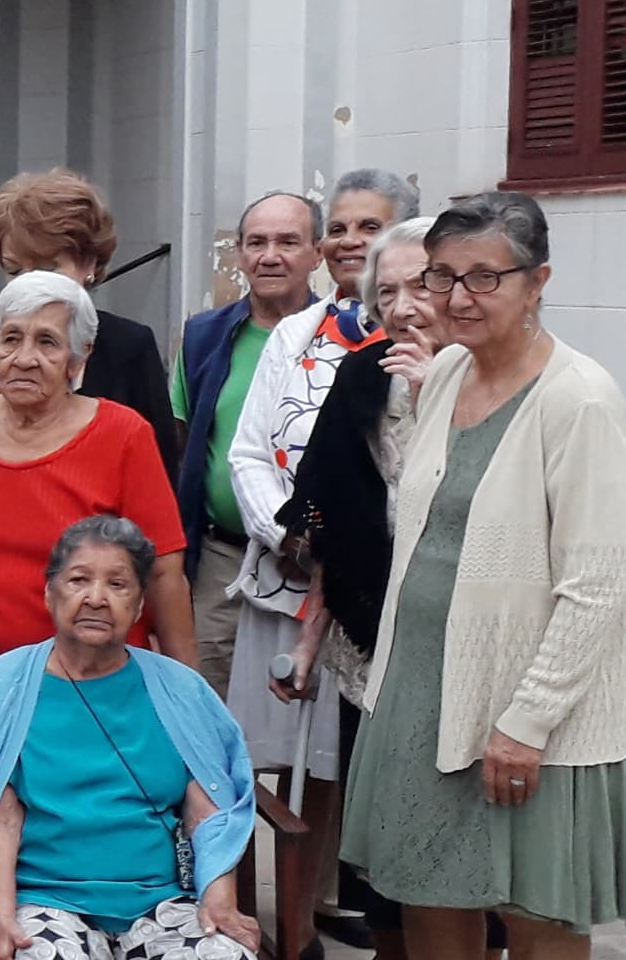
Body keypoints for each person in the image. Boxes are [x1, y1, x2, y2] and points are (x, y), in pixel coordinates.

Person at [342, 192, 626, 959]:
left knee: (538, 915)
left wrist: (528, 721)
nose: (455, 298)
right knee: (430, 894)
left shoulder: (580, 400)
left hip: (529, 705)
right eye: (442, 277)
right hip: (424, 685)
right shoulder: (444, 375)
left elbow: (598, 587)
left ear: (537, 281)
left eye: (485, 278)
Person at [277, 218, 465, 958]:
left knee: (459, 859)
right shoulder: (362, 375)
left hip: (463, 654)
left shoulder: (493, 385)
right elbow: (333, 526)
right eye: (386, 292)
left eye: (421, 284)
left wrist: (437, 397)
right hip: (372, 656)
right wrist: (308, 638)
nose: (406, 305)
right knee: (385, 853)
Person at [0, 516, 262, 960]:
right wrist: (1, 916)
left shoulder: (180, 690)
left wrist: (218, 898)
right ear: (49, 593)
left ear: (139, 607)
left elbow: (208, 812)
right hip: (49, 903)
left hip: (162, 901)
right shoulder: (6, 685)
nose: (96, 598)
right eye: (78, 580)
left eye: (118, 585)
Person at [218, 171, 422, 805]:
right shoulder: (302, 333)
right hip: (292, 570)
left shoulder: (438, 348)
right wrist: (292, 535)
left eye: (371, 226)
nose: (350, 240)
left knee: (353, 766)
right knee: (270, 757)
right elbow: (248, 451)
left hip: (392, 586)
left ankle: (349, 898)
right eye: (338, 227)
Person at [0, 272, 191, 710]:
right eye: (11, 339)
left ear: (79, 358)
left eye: (47, 342)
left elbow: (163, 570)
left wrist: (186, 694)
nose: (23, 358)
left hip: (92, 686)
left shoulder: (124, 434)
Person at [0, 169, 180, 492]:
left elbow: (159, 477)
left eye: (46, 267)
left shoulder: (127, 346)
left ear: (90, 265)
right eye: (15, 270)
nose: (30, 282)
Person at [172, 191, 325, 696]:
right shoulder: (203, 337)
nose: (270, 255)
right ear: (238, 252)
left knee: (306, 726)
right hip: (221, 558)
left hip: (312, 565)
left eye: (288, 241)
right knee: (207, 704)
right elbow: (182, 442)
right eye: (256, 242)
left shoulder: (340, 338)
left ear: (317, 253)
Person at [319, 169, 421, 304]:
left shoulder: (441, 321)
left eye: (370, 228)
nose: (349, 241)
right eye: (337, 230)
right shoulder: (300, 325)